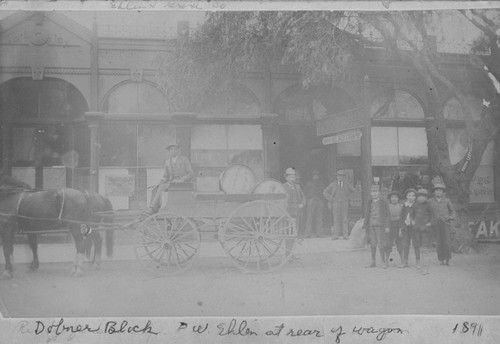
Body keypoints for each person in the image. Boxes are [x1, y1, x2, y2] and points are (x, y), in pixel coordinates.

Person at [143, 143, 194, 217]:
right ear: (169, 151)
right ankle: (155, 209)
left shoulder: (184, 159)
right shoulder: (167, 162)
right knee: (155, 188)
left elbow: (191, 173)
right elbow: (165, 176)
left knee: (162, 187)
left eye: (175, 149)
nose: (173, 151)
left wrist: (181, 180)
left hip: (183, 184)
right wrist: (159, 183)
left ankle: (152, 208)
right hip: (172, 184)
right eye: (171, 149)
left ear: (178, 151)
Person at [363, 183, 391, 268]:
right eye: (372, 191)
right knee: (373, 243)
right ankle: (373, 261)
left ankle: (383, 261)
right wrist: (365, 224)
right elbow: (367, 213)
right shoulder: (369, 202)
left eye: (376, 191)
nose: (374, 193)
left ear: (379, 192)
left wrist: (387, 226)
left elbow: (387, 215)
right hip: (371, 225)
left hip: (380, 226)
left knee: (381, 244)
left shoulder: (383, 202)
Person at [428, 183, 455, 266]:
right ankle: (441, 259)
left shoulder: (447, 200)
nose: (438, 192)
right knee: (439, 242)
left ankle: (448, 259)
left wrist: (451, 217)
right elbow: (427, 212)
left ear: (443, 192)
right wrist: (429, 221)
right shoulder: (430, 201)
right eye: (436, 190)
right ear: (434, 192)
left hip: (445, 223)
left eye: (440, 190)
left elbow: (452, 211)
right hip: (436, 224)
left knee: (447, 242)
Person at [323, 171, 355, 240]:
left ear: (343, 177)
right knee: (336, 219)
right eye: (339, 176)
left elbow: (353, 191)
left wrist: (348, 198)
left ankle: (345, 235)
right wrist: (331, 199)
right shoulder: (333, 184)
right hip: (336, 203)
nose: (340, 177)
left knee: (344, 219)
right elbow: (325, 192)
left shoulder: (347, 184)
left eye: (342, 176)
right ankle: (335, 235)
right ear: (336, 177)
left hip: (344, 203)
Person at [283, 168, 306, 238]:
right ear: (286, 178)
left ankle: (297, 236)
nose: (292, 179)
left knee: (298, 222)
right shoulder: (283, 187)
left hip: (297, 208)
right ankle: (289, 237)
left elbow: (303, 197)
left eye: (293, 177)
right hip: (288, 208)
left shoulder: (298, 187)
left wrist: (302, 204)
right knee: (288, 223)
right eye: (290, 177)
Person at [413, 188, 433, 271]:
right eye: (419, 196)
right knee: (418, 246)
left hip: (425, 229)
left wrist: (430, 223)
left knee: (425, 249)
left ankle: (426, 267)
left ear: (426, 197)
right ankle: (420, 265)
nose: (421, 198)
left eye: (423, 196)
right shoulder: (415, 205)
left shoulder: (429, 205)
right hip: (417, 229)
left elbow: (433, 216)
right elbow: (411, 214)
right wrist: (412, 220)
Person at [399, 188, 419, 268]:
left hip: (414, 228)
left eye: (413, 196)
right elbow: (401, 217)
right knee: (405, 245)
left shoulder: (417, 205)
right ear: (406, 197)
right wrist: (401, 228)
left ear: (415, 197)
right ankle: (405, 262)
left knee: (416, 244)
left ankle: (418, 262)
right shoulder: (405, 205)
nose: (411, 197)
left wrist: (415, 221)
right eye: (409, 195)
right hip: (405, 228)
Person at [304, 170, 325, 238]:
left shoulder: (321, 184)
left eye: (317, 176)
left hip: (319, 201)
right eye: (314, 176)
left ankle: (319, 233)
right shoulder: (309, 183)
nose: (316, 177)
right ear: (312, 177)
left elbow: (324, 193)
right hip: (311, 200)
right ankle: (307, 233)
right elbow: (305, 192)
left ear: (319, 176)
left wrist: (322, 201)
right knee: (309, 217)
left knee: (319, 217)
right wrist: (308, 200)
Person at [387, 190, 403, 267]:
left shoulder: (401, 206)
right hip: (389, 226)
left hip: (398, 226)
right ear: (390, 198)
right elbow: (386, 217)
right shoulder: (387, 206)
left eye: (395, 197)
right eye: (392, 197)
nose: (394, 199)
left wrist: (401, 229)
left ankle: (403, 261)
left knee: (400, 243)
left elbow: (402, 218)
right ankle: (386, 261)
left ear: (398, 198)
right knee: (388, 243)